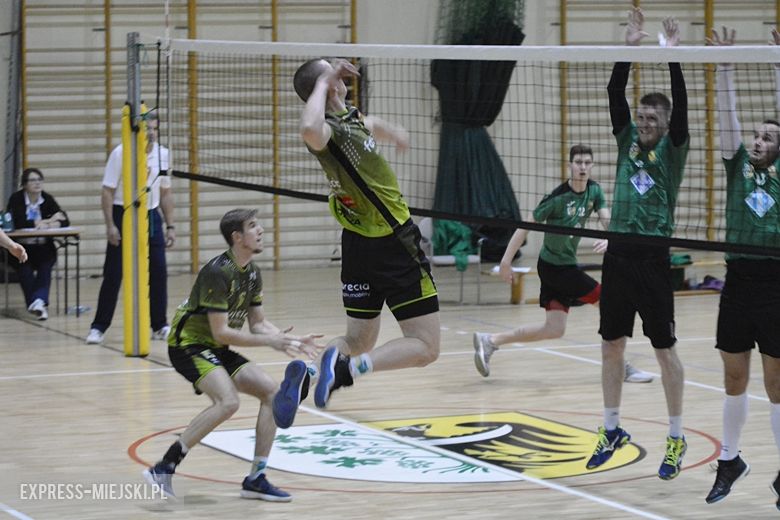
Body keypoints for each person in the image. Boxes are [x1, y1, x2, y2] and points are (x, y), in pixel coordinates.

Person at [271, 58, 440, 428]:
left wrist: (394, 132)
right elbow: (308, 129)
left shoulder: (350, 120)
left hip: (359, 244)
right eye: (333, 72)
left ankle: (307, 378)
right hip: (393, 241)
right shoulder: (328, 130)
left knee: (358, 338)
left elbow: (369, 124)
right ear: (330, 85)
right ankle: (348, 370)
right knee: (426, 347)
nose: (342, 75)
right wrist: (322, 84)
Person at [142, 209, 322, 500]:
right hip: (187, 345)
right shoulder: (218, 271)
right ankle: (164, 467)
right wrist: (270, 344)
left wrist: (288, 339)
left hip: (216, 347)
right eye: (253, 226)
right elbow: (221, 332)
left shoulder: (252, 273)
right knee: (228, 402)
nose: (261, 230)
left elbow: (258, 322)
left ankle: (256, 477)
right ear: (237, 237)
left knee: (272, 394)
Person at [587, 8, 689, 481]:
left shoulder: (673, 150)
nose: (644, 121)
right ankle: (611, 429)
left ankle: (675, 436)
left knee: (665, 350)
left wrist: (671, 58)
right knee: (612, 345)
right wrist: (628, 50)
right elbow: (613, 93)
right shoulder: (626, 137)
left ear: (665, 125)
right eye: (642, 115)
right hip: (619, 255)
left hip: (653, 257)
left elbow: (683, 107)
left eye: (653, 117)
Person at [704, 27, 780, 509]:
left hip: (776, 284)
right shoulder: (738, 169)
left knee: (777, 385)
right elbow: (727, 117)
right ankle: (730, 460)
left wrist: (777, 63)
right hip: (737, 283)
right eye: (756, 134)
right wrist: (727, 67)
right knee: (734, 377)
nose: (757, 139)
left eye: (768, 136)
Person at [86, 112, 175, 344]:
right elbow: (107, 191)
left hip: (151, 214)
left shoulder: (163, 154)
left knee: (158, 272)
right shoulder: (121, 152)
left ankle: (159, 325)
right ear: (138, 130)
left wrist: (171, 226)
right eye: (148, 128)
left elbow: (165, 193)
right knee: (114, 274)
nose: (152, 132)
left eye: (155, 128)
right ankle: (98, 327)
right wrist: (110, 225)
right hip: (123, 212)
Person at [6, 167, 69, 320]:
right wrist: (47, 220)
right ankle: (38, 301)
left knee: (45, 266)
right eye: (33, 180)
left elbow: (64, 219)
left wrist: (51, 224)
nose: (37, 183)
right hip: (22, 246)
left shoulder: (47, 199)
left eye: (39, 180)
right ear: (24, 184)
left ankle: (37, 302)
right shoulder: (16, 199)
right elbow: (17, 221)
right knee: (24, 268)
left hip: (43, 247)